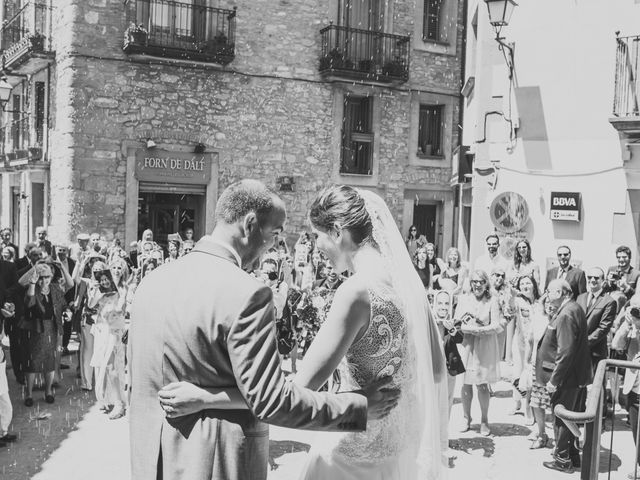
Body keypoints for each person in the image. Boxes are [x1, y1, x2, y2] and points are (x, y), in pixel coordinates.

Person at [130, 180, 403, 480]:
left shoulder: (150, 283)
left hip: (152, 460)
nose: (273, 247)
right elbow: (271, 401)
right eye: (274, 234)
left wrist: (205, 397)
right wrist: (358, 407)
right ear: (250, 224)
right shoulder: (246, 293)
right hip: (216, 462)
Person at [538, 279, 592, 473]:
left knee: (561, 417)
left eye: (550, 290)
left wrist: (554, 380)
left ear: (562, 292)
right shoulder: (574, 308)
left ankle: (562, 459)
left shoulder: (566, 314)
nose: (547, 292)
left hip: (566, 378)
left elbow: (566, 351)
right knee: (570, 416)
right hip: (575, 376)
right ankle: (573, 455)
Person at [455, 269, 502, 437]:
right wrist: (471, 329)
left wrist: (481, 330)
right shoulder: (464, 299)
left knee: (482, 384)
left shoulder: (492, 301)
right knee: (466, 383)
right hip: (468, 344)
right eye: (474, 281)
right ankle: (466, 418)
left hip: (485, 345)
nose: (477, 285)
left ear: (486, 284)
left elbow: (496, 325)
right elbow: (457, 323)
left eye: (481, 282)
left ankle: (484, 420)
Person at [19, 263, 72, 406]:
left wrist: (68, 312)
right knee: (32, 362)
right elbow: (29, 303)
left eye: (47, 277)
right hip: (35, 329)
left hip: (52, 328)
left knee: (50, 361)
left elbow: (64, 304)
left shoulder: (55, 288)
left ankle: (48, 392)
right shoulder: (33, 288)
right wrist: (32, 284)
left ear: (52, 276)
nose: (44, 281)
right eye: (41, 278)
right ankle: (29, 394)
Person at [87, 263, 129, 420]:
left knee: (112, 367)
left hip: (114, 332)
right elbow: (90, 305)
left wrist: (117, 303)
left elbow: (119, 310)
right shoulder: (101, 293)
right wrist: (95, 292)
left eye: (106, 279)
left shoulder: (122, 291)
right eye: (102, 279)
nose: (104, 282)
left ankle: (119, 404)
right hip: (102, 332)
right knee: (102, 367)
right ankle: (105, 397)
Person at [526, 295, 556, 449]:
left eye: (553, 302)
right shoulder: (538, 319)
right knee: (537, 402)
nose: (550, 305)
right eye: (547, 302)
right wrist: (528, 360)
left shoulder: (562, 318)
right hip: (537, 366)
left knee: (556, 404)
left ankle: (561, 440)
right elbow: (531, 340)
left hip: (555, 368)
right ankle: (542, 433)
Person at [510, 275, 540, 423]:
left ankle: (528, 409)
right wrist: (511, 296)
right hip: (520, 342)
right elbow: (509, 311)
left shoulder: (541, 302)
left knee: (529, 376)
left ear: (534, 285)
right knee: (517, 372)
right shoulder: (518, 301)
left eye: (528, 282)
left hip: (535, 345)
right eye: (522, 284)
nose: (525, 286)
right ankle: (516, 402)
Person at [576, 267, 617, 371]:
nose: (592, 280)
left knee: (595, 385)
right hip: (577, 352)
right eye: (590, 277)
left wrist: (584, 343)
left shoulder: (609, 302)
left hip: (595, 353)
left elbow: (603, 328)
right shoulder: (580, 297)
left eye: (596, 277)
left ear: (603, 280)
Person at [433, 289, 464, 415]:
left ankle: (444, 433)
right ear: (435, 304)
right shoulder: (429, 321)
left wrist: (451, 329)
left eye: (446, 304)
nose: (443, 307)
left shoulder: (454, 321)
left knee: (447, 401)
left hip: (449, 368)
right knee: (433, 401)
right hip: (433, 367)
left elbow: (459, 338)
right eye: (440, 303)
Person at [490, 266, 516, 362]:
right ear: (491, 276)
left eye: (502, 276)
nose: (500, 278)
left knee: (498, 355)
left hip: (501, 325)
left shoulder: (506, 291)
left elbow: (511, 310)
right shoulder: (486, 290)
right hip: (487, 325)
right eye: (497, 275)